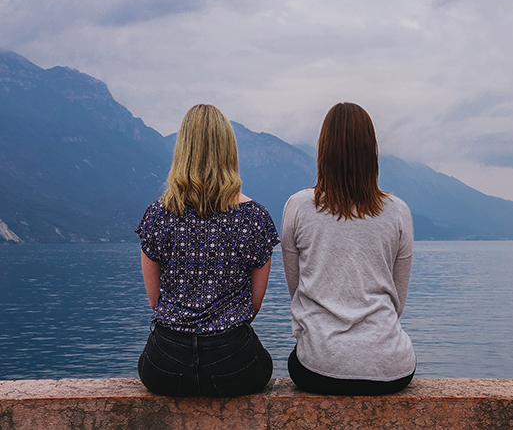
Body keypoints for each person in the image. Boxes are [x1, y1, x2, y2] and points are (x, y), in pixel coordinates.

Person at [135, 104, 278, 397]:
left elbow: (155, 301)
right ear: (229, 150)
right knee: (262, 363)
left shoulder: (157, 215)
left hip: (165, 365)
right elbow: (253, 305)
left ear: (182, 151)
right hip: (234, 364)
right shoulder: (255, 217)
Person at [281, 102, 416, 395]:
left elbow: (297, 291)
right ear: (372, 152)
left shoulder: (298, 207)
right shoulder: (398, 212)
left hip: (319, 366)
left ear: (323, 150)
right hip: (391, 368)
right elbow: (398, 302)